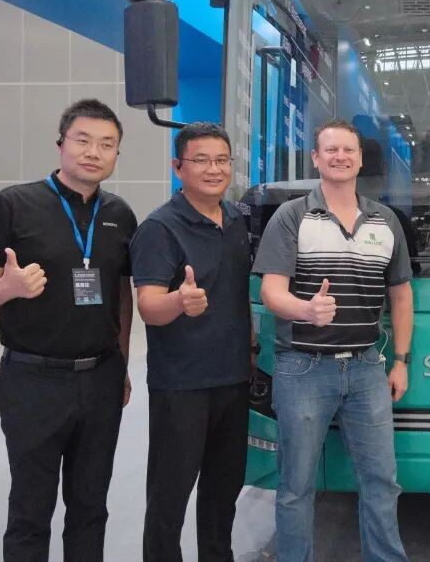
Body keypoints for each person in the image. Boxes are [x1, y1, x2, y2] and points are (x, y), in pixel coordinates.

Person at [0, 99, 137, 562]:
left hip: (100, 378)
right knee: (31, 509)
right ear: (61, 143)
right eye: (83, 140)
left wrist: (121, 365)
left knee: (90, 507)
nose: (93, 152)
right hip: (32, 380)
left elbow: (121, 295)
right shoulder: (12, 204)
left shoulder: (120, 214)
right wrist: (6, 288)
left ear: (117, 154)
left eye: (107, 144)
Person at [253, 119, 414, 562]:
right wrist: (305, 310)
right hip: (302, 367)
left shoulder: (386, 221)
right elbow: (271, 291)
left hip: (367, 369)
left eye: (348, 150)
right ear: (316, 159)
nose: (340, 157)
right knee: (296, 486)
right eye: (331, 150)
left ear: (360, 160)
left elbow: (401, 295)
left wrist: (400, 361)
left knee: (382, 481)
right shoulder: (291, 216)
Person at [129, 123, 254, 562]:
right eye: (201, 160)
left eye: (221, 160)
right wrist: (179, 301)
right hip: (181, 385)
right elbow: (148, 307)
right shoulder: (160, 228)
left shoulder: (237, 220)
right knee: (170, 496)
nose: (213, 169)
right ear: (178, 167)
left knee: (223, 493)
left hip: (233, 380)